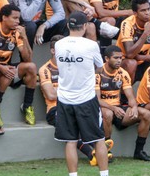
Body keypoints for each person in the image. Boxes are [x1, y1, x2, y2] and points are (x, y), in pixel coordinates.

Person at [54, 11, 118, 176]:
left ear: (68, 26)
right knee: (98, 139)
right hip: (86, 99)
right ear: (84, 27)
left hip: (65, 99)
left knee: (70, 141)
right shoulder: (91, 46)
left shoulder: (59, 44)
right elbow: (99, 67)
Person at [39, 35, 104, 164]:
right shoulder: (45, 69)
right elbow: (51, 95)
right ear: (53, 50)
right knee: (72, 134)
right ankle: (91, 153)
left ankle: (99, 150)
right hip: (55, 108)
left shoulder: (79, 67)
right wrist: (71, 89)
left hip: (76, 103)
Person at [97, 45, 150, 162]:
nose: (119, 61)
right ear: (107, 59)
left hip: (118, 108)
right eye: (115, 58)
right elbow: (97, 100)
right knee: (107, 114)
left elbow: (130, 96)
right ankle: (106, 150)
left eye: (121, 58)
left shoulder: (123, 73)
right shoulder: (98, 73)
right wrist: (113, 108)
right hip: (102, 108)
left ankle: (139, 151)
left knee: (146, 114)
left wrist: (134, 107)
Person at [0, 4, 38, 126]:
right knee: (7, 72)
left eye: (18, 19)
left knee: (31, 67)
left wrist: (24, 37)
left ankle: (27, 106)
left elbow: (28, 58)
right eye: (14, 18)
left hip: (6, 67)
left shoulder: (17, 32)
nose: (17, 21)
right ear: (4, 17)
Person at [116, 0, 150, 82]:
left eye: (148, 9)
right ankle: (125, 95)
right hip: (124, 60)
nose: (147, 13)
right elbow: (130, 55)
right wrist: (146, 33)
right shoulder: (127, 23)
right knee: (131, 63)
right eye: (143, 10)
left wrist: (140, 57)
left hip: (144, 60)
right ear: (135, 13)